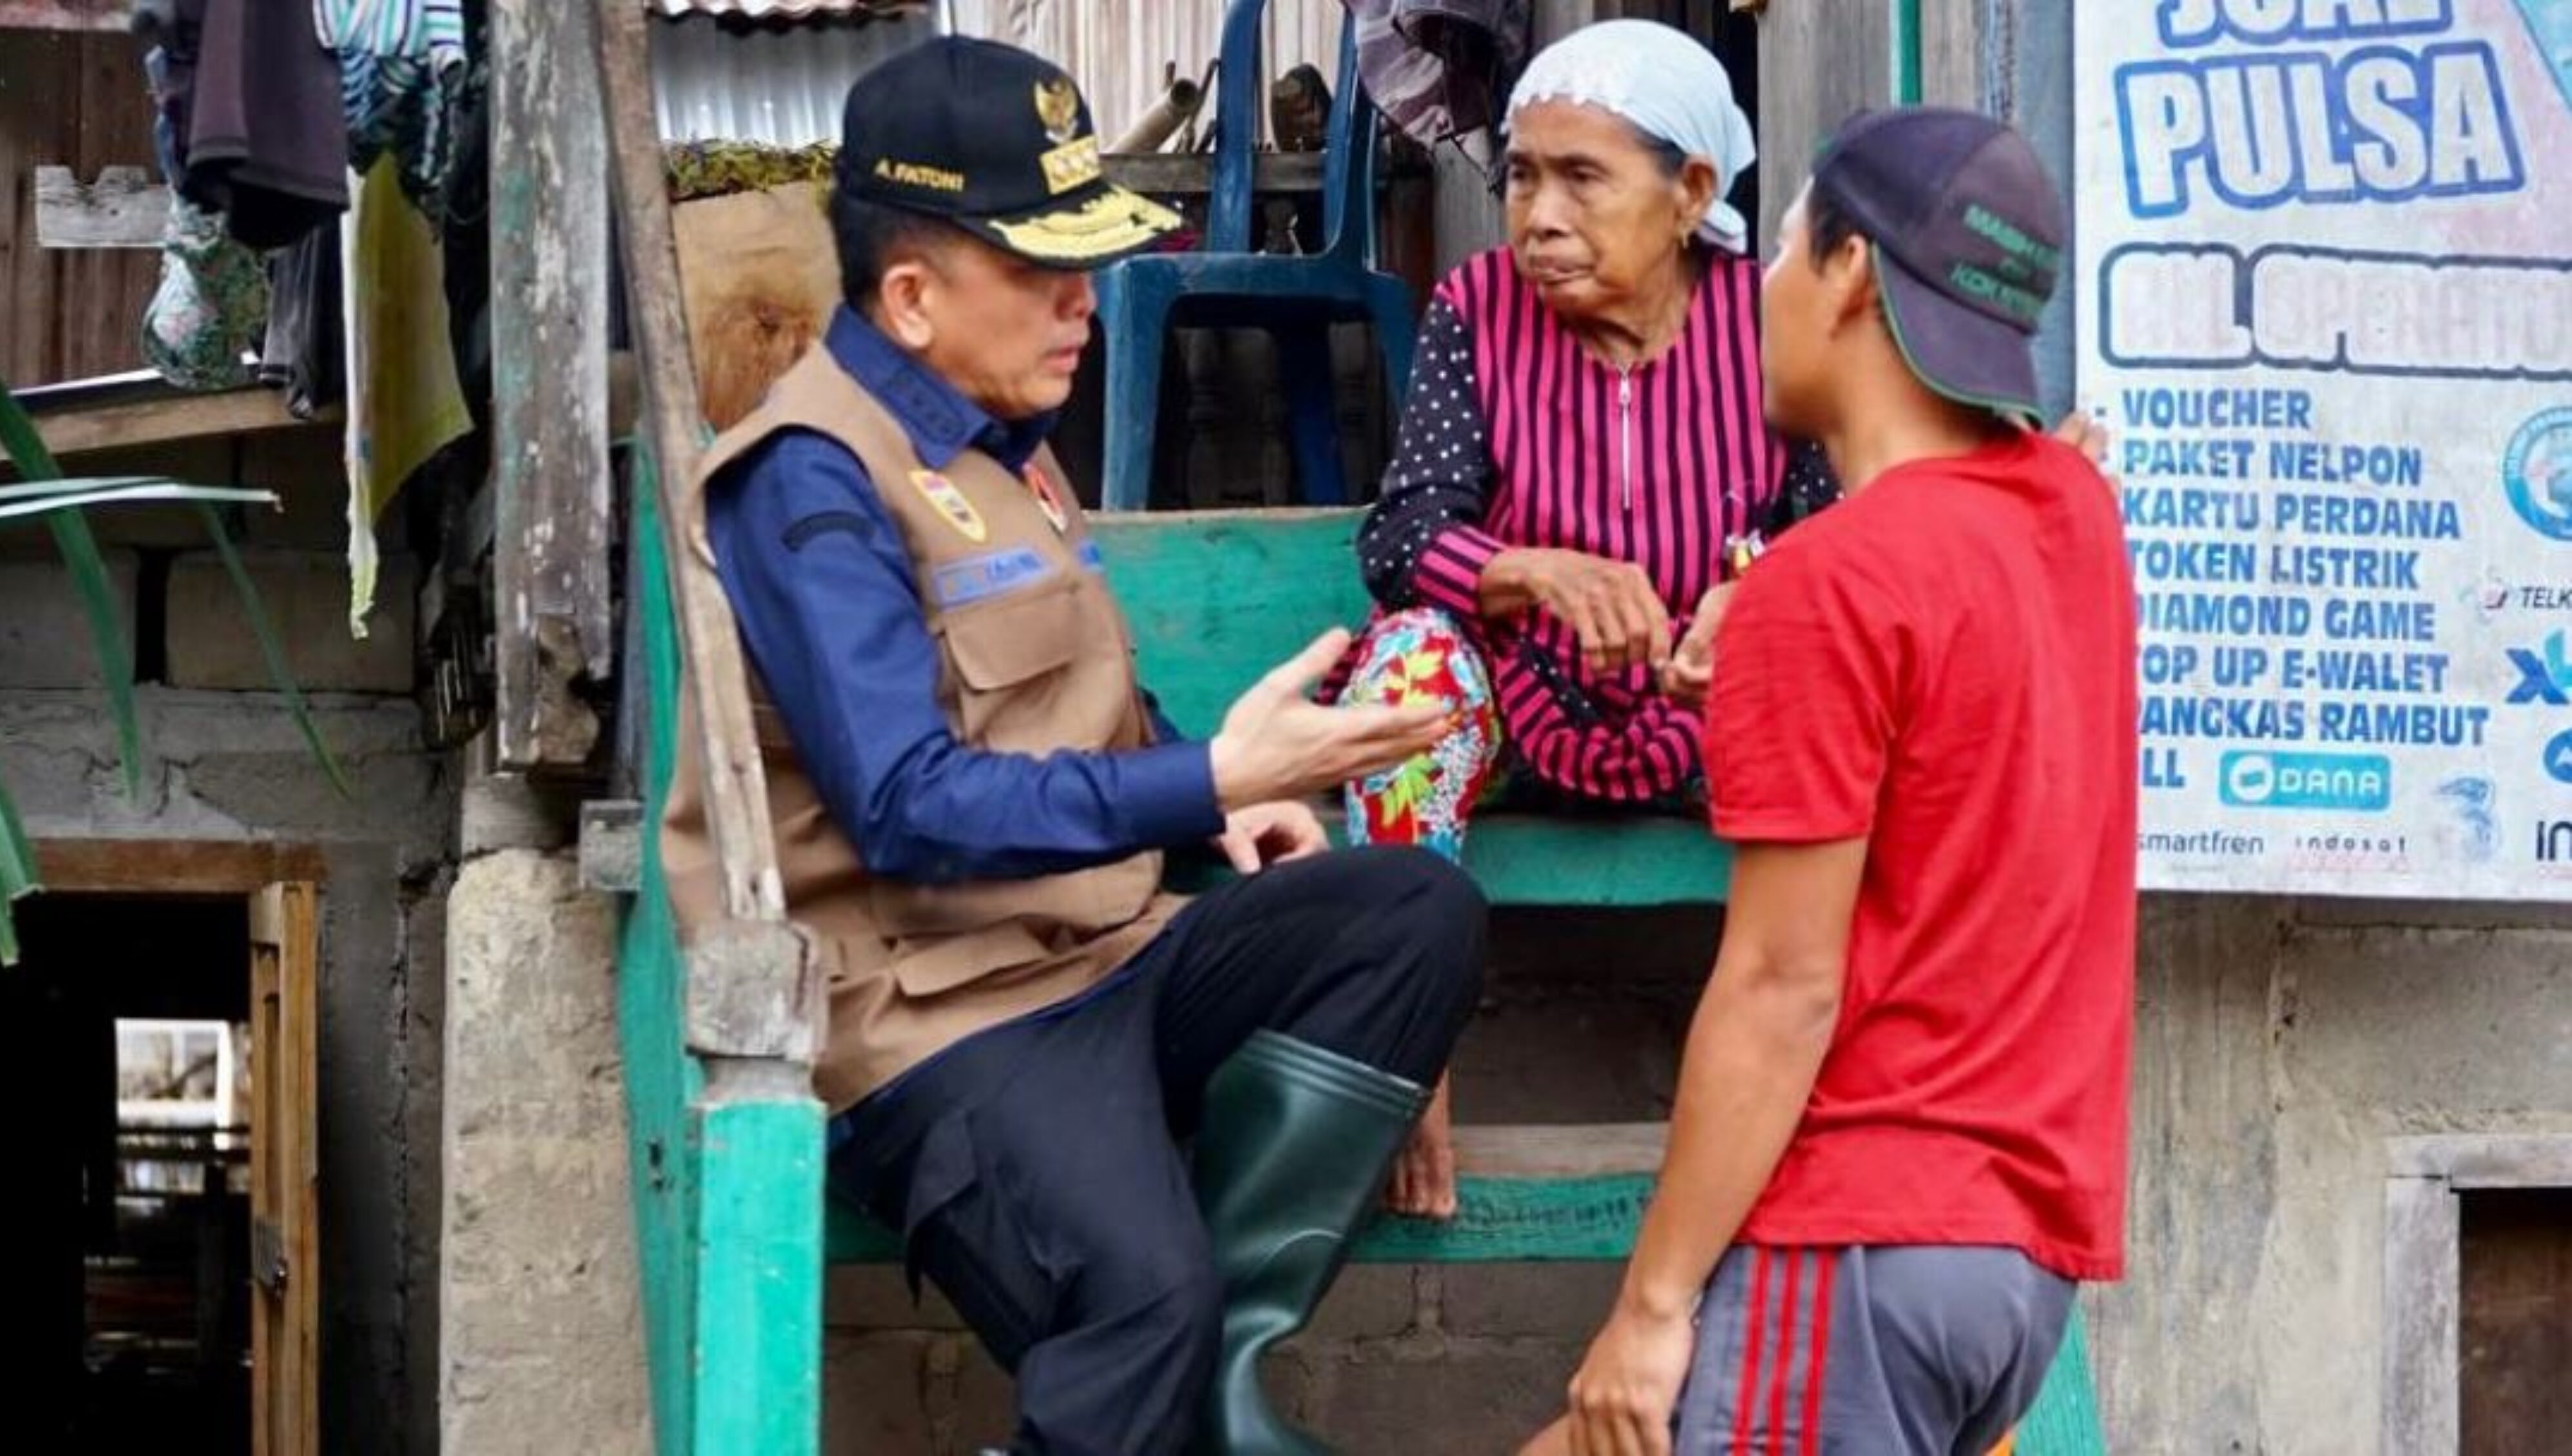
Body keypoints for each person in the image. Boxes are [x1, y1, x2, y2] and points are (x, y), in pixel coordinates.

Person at [656, 38, 1487, 1456]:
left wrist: (1216, 805)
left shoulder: (1001, 439)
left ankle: (1219, 1373)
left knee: (1411, 912)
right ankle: (1176, 1359)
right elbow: (905, 802)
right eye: (1042, 271)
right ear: (912, 298)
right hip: (934, 1013)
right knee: (1138, 1301)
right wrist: (1213, 777)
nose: (1082, 303)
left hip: (1105, 952)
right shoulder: (809, 481)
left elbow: (1066, 699)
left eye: (1085, 264)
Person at [1342, 18, 2103, 1220]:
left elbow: (1842, 532)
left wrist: (1752, 607)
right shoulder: (1476, 311)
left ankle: (1876, 1103)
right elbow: (1403, 537)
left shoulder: (1775, 325)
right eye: (1522, 177)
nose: (1539, 217)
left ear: (1693, 192)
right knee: (1406, 674)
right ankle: (1403, 1055)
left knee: (1892, 720)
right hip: (1520, 704)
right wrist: (1533, 573)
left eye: (1582, 178)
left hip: (1711, 715)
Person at [1527, 106, 2138, 1456]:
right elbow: (1953, 725)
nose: (1760, 288)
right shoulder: (2074, 517)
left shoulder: (1828, 585)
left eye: (1785, 246)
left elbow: (1780, 989)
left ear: (1850, 272)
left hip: (1856, 1239)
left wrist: (1651, 1305)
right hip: (2012, 1266)